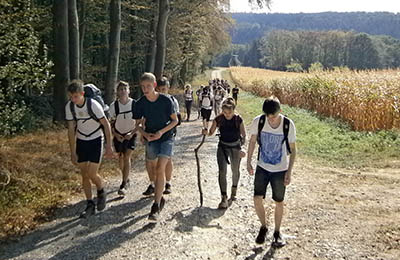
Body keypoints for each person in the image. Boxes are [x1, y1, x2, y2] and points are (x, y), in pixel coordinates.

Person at [246, 96, 297, 247]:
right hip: (262, 167)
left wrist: (289, 171)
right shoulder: (259, 121)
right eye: (268, 116)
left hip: (280, 169)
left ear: (280, 111)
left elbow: (293, 150)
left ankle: (277, 232)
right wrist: (248, 161)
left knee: (279, 201)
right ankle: (264, 226)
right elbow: (253, 140)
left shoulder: (288, 125)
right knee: (257, 199)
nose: (271, 120)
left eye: (273, 117)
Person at [65, 80, 114, 218]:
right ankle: (89, 204)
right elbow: (70, 130)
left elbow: (106, 125)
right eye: (71, 97)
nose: (73, 100)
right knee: (84, 174)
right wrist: (72, 152)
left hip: (96, 140)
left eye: (76, 96)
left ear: (82, 94)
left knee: (92, 173)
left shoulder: (93, 105)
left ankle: (101, 189)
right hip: (81, 141)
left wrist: (109, 146)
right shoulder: (70, 107)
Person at [133, 72, 178, 221]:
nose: (145, 89)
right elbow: (137, 124)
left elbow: (175, 121)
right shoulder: (140, 103)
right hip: (150, 138)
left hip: (166, 137)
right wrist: (144, 134)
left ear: (154, 85)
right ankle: (159, 195)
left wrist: (161, 132)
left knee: (160, 169)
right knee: (152, 167)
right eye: (143, 87)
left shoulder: (166, 100)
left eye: (148, 86)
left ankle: (156, 205)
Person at [202, 98, 246, 209]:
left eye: (229, 112)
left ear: (234, 110)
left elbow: (244, 135)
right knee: (222, 171)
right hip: (222, 146)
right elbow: (211, 133)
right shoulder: (219, 119)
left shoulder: (238, 119)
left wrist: (243, 148)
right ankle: (223, 197)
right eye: (225, 112)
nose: (227, 114)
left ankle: (234, 191)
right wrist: (206, 132)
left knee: (235, 170)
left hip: (235, 147)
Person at [142, 76, 178, 195]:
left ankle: (167, 182)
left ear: (168, 88)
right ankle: (153, 183)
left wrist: (165, 131)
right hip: (151, 133)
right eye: (160, 89)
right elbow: (144, 118)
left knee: (166, 160)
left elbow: (176, 120)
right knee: (150, 160)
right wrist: (143, 133)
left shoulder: (171, 101)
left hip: (168, 134)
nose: (162, 91)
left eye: (164, 89)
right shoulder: (150, 100)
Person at [109, 81, 137, 197]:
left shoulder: (134, 104)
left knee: (127, 156)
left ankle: (124, 183)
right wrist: (116, 134)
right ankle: (126, 177)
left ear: (129, 90)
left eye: (125, 89)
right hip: (119, 134)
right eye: (120, 89)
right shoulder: (114, 106)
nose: (123, 91)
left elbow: (140, 122)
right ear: (117, 91)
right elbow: (110, 123)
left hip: (131, 134)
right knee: (120, 157)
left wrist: (132, 133)